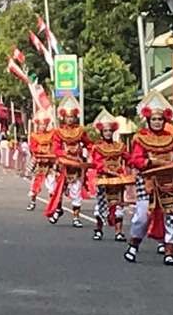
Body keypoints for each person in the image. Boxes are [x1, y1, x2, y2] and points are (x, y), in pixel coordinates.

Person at [123, 90, 173, 267]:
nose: (157, 122)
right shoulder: (141, 138)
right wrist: (150, 162)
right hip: (147, 181)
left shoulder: (172, 138)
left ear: (165, 121)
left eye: (160, 119)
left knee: (170, 216)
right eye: (154, 119)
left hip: (169, 181)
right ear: (148, 120)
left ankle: (169, 251)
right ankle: (133, 245)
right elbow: (136, 159)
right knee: (142, 216)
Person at [44, 94, 90, 228]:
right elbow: (56, 148)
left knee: (76, 190)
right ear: (63, 117)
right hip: (62, 165)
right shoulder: (58, 132)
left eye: (72, 117)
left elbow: (89, 143)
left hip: (76, 166)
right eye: (67, 117)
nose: (70, 119)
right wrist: (65, 154)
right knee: (55, 189)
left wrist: (92, 152)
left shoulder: (80, 131)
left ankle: (76, 217)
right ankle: (58, 210)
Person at [90, 109, 130, 242]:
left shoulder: (120, 146)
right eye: (105, 131)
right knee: (101, 204)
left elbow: (128, 159)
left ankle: (119, 232)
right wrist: (109, 171)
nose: (108, 133)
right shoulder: (97, 147)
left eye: (110, 131)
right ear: (101, 132)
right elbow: (97, 163)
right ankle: (99, 230)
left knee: (118, 205)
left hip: (118, 180)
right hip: (103, 179)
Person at [25, 111, 55, 211]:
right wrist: (40, 151)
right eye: (41, 124)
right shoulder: (34, 136)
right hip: (39, 162)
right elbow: (32, 148)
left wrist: (50, 152)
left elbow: (54, 146)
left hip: (50, 162)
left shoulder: (51, 134)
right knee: (36, 183)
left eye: (44, 124)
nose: (42, 126)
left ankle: (52, 204)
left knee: (52, 183)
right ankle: (32, 202)